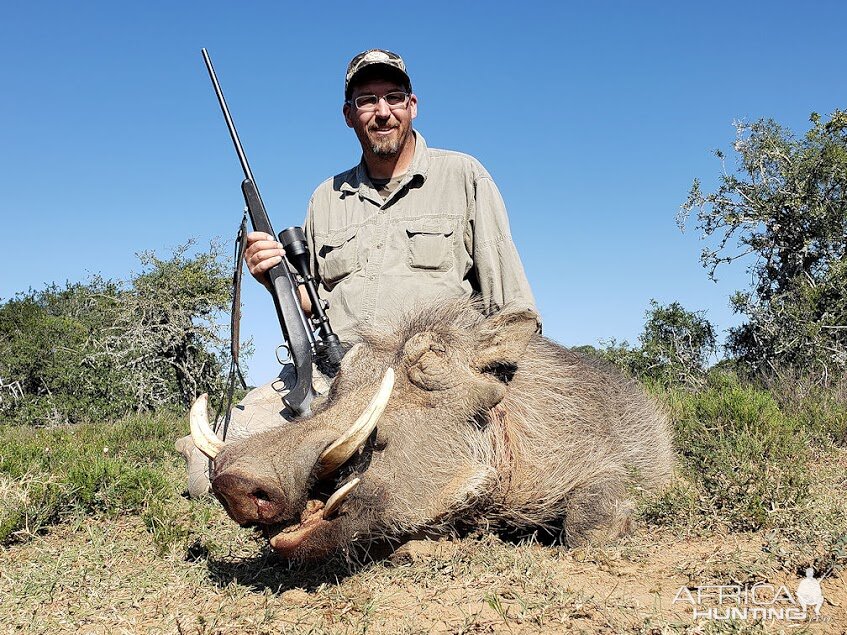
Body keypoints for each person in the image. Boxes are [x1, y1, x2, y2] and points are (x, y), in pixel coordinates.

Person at [178, 49, 539, 497]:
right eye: (367, 100)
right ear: (349, 115)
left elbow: (516, 309)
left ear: (412, 105)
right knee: (211, 467)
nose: (382, 112)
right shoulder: (325, 198)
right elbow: (312, 305)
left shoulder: (464, 176)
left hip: (426, 384)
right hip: (336, 376)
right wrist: (274, 279)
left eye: (394, 97)